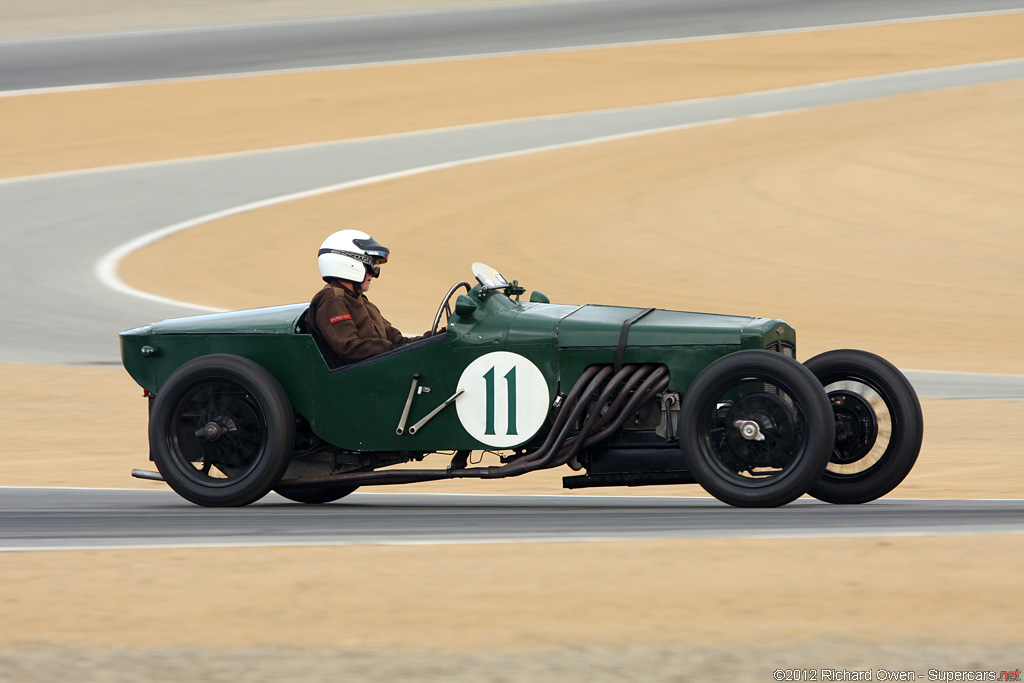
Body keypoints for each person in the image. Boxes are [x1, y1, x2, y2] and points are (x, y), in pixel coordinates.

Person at [307, 229, 436, 366]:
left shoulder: (362, 301)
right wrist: (392, 350)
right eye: (370, 265)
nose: (373, 274)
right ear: (350, 263)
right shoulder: (333, 300)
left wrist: (436, 337)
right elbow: (349, 348)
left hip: (376, 370)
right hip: (356, 378)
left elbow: (399, 341)